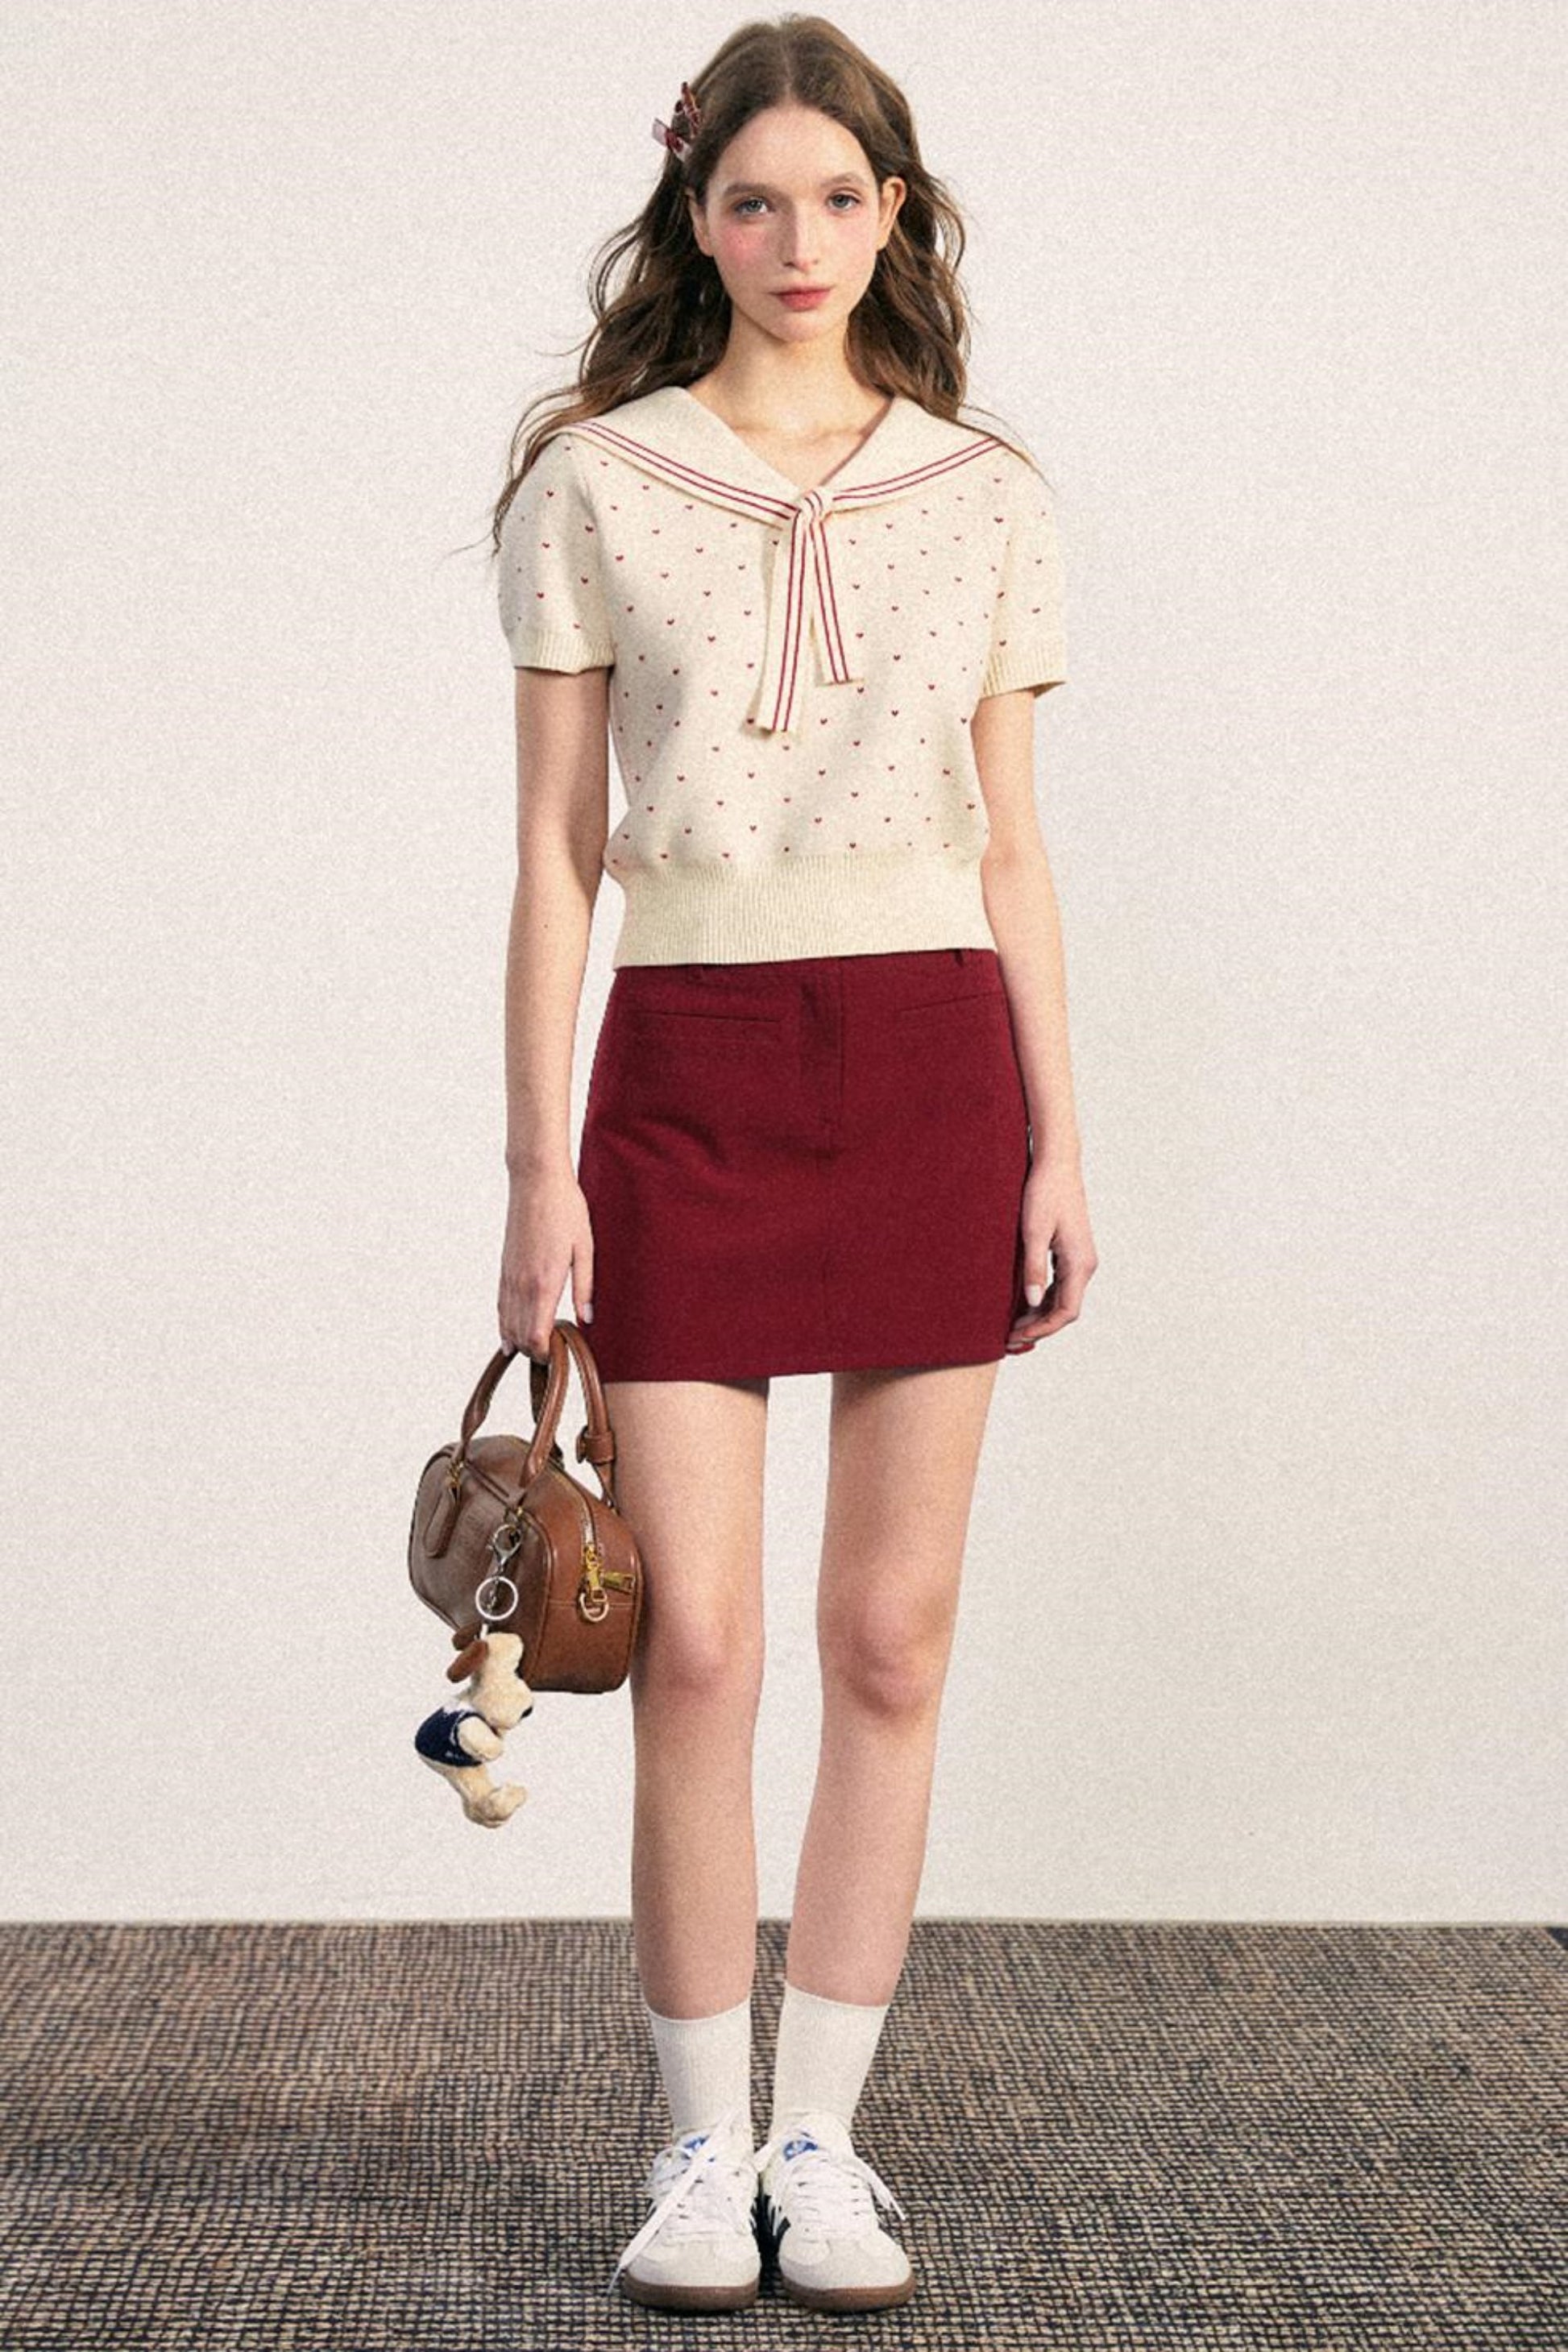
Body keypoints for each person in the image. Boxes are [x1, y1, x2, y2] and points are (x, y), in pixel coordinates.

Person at [488, 17, 1097, 2314]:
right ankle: (695, 2144)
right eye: (754, 200)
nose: (799, 241)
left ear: (894, 214)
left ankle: (822, 2141)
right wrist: (534, 1167)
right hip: (689, 1064)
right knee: (700, 1644)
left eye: (841, 199)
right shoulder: (597, 481)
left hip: (932, 1058)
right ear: (695, 216)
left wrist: (1059, 1137)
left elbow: (1013, 851)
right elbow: (558, 859)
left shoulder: (985, 494)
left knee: (888, 1636)